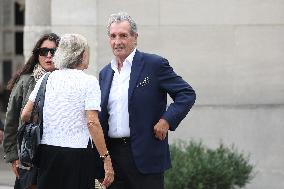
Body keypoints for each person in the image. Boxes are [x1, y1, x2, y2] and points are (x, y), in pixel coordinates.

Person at [99, 12, 196, 189]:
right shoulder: (105, 73)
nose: (117, 41)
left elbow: (186, 93)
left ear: (135, 38)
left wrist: (167, 120)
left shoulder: (154, 64)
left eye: (123, 35)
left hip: (146, 156)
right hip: (114, 159)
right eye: (113, 36)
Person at [21, 33, 114, 189]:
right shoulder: (89, 81)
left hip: (47, 152)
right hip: (77, 154)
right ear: (82, 54)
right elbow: (92, 122)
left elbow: (25, 114)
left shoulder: (47, 78)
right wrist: (106, 159)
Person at [3, 33, 60, 189]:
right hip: (29, 151)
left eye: (53, 51)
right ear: (37, 54)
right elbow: (12, 120)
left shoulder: (67, 81)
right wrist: (13, 156)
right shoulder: (25, 80)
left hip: (57, 152)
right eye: (44, 51)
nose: (48, 56)